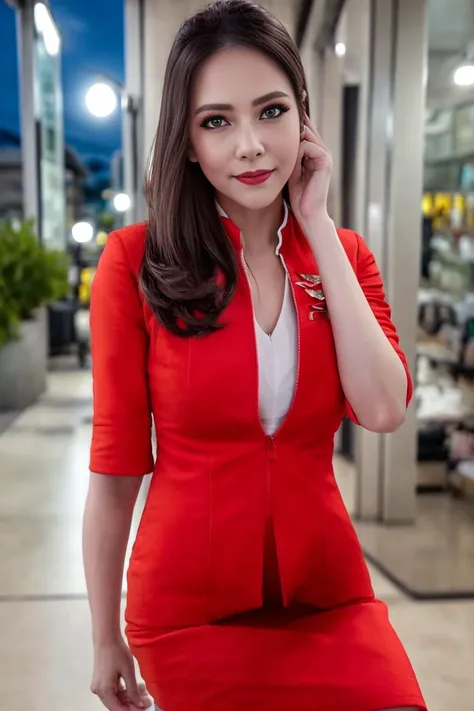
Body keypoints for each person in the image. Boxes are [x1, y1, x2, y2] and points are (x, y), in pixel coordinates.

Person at [82, 1, 426, 710]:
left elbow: (385, 408)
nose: (250, 146)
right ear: (186, 141)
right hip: (187, 609)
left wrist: (318, 224)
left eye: (270, 112)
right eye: (217, 121)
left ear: (303, 117)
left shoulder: (345, 256)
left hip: (328, 594)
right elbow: (116, 470)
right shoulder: (134, 263)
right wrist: (103, 634)